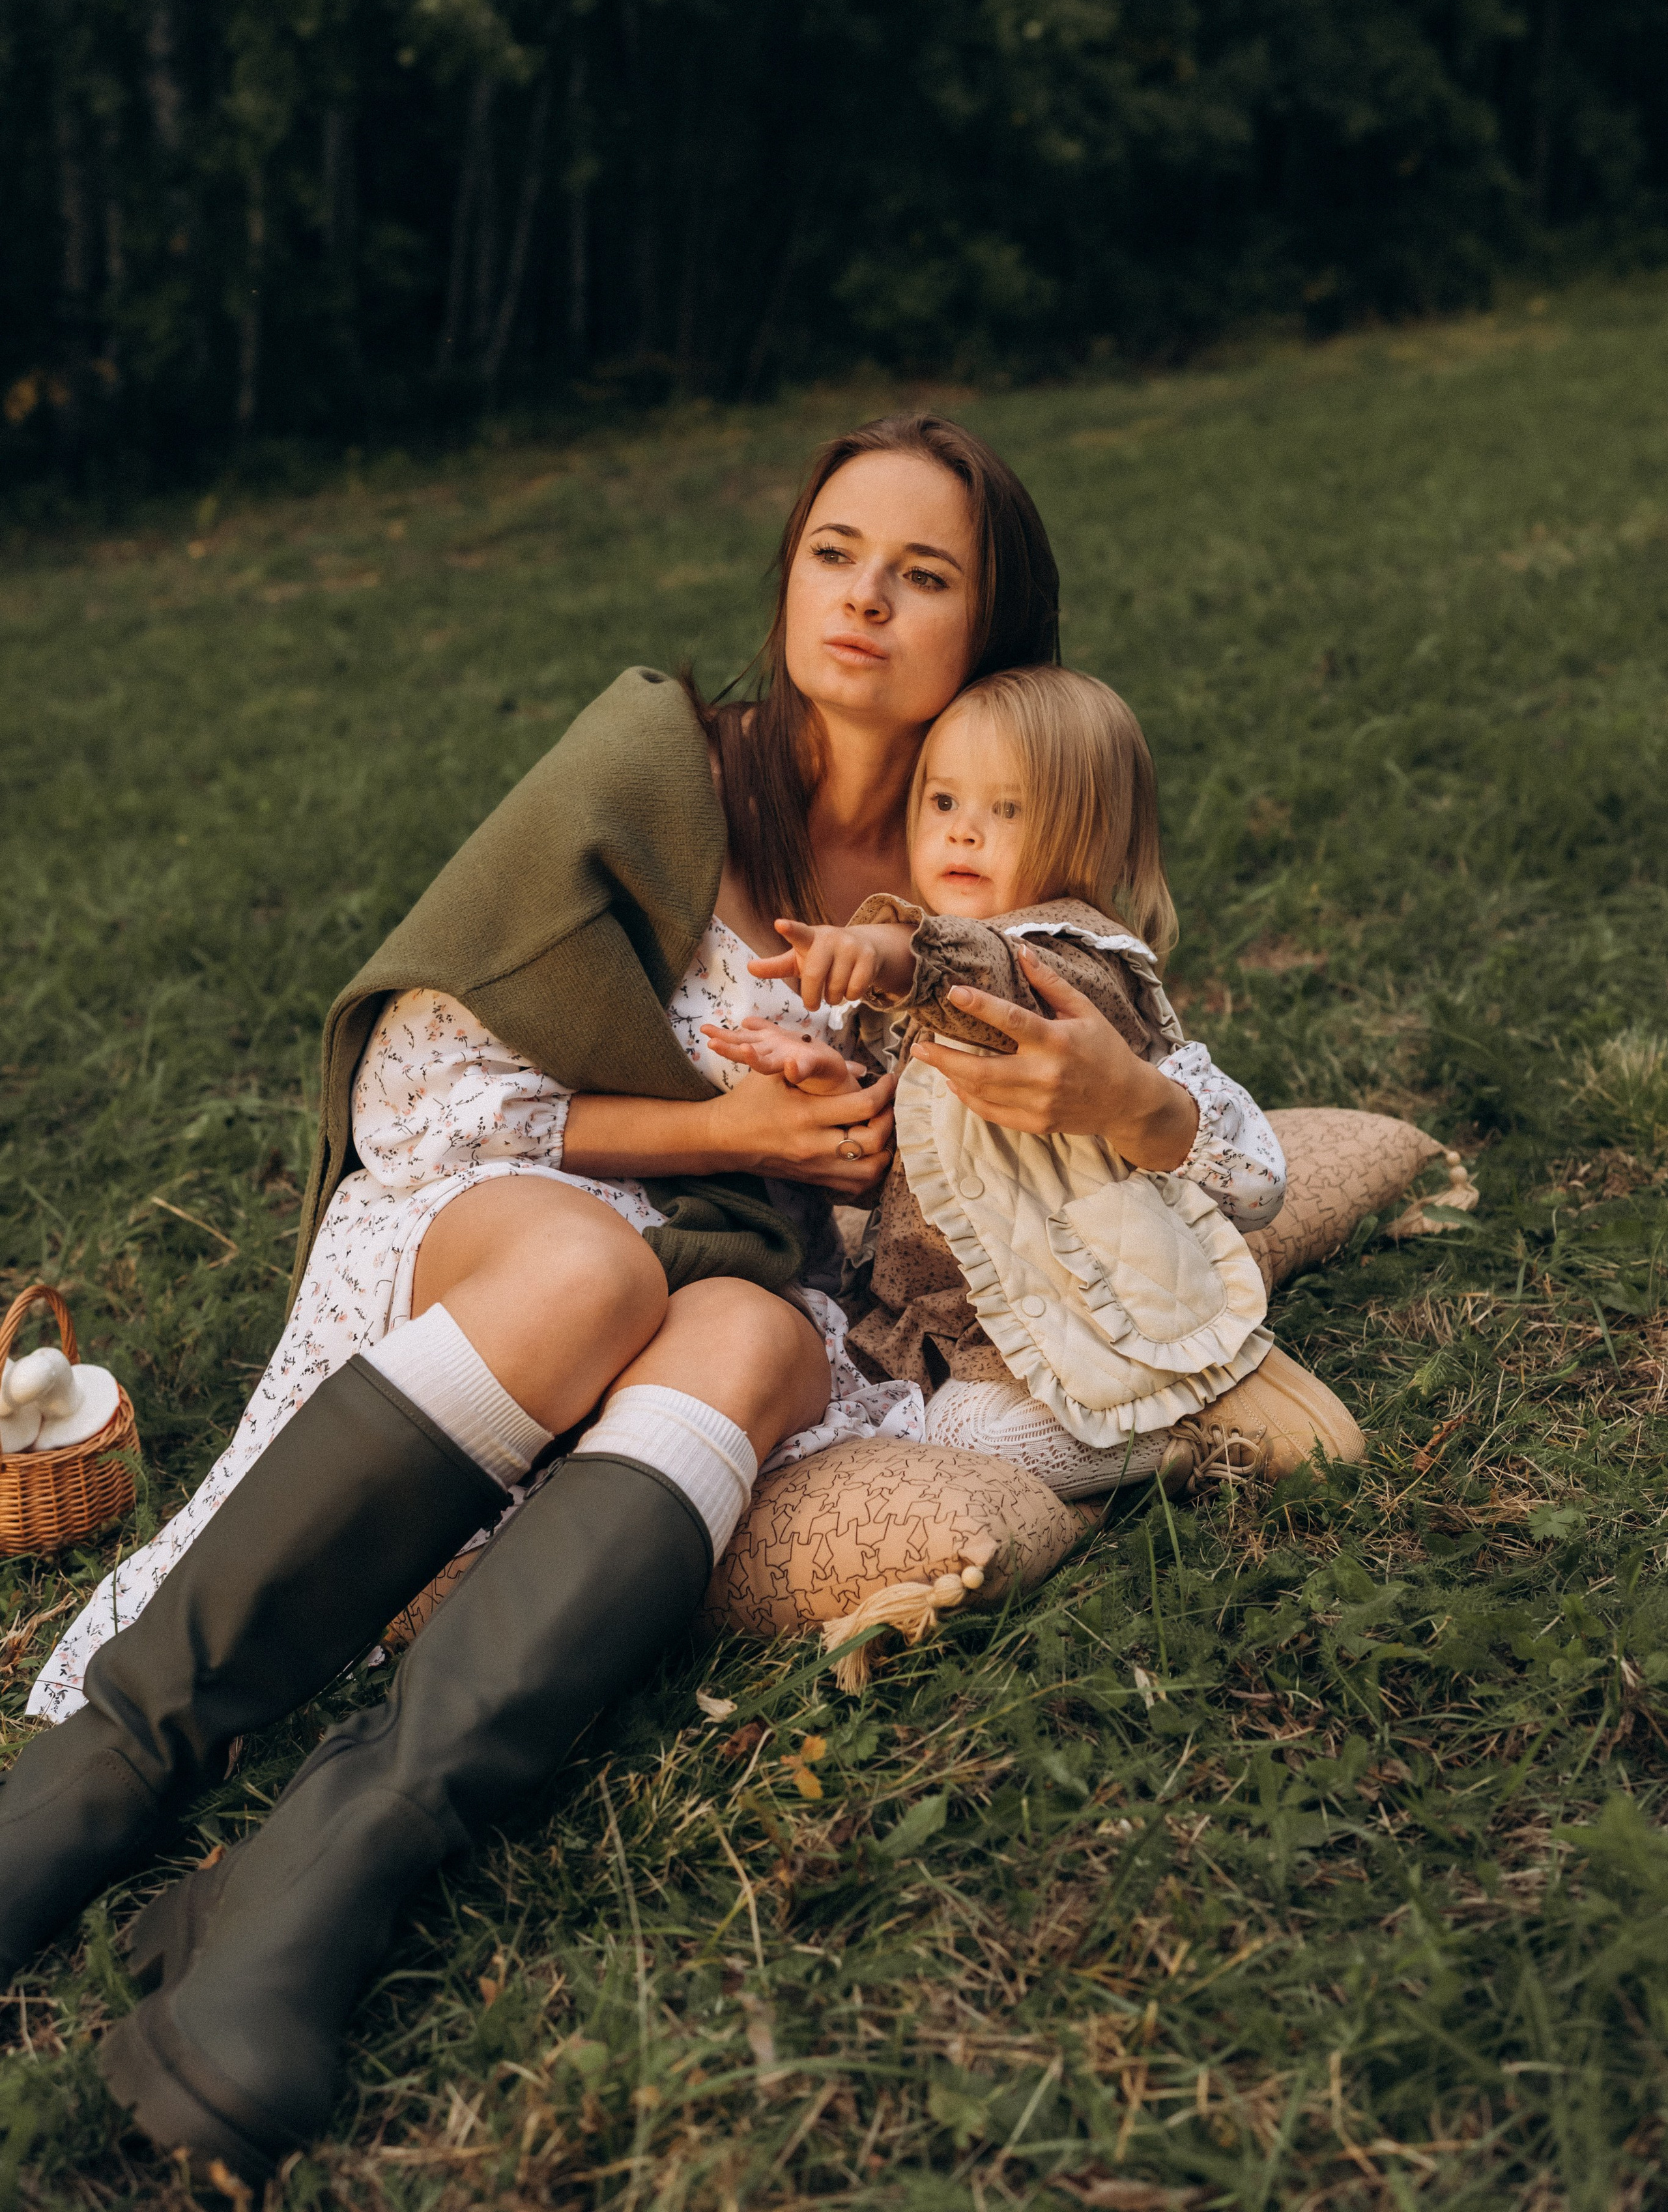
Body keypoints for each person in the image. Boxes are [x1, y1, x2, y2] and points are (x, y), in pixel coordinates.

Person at [0, 415, 1302, 2180]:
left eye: (926, 575)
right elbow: (415, 1100)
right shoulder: (660, 765)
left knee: (763, 1333)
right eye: (838, 550)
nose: (866, 598)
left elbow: (1229, 1140)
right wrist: (727, 1122)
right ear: (788, 574)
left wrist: (1120, 1105)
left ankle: (321, 1879)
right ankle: (95, 1783)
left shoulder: (987, 848)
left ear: (991, 629)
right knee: (594, 1263)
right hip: (504, 1225)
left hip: (738, 1295)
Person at [704, 664, 1365, 1498]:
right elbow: (910, 1139)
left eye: (1006, 810)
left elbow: (989, 981)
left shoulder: (1069, 959)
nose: (964, 833)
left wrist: (892, 950)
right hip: (942, 1313)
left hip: (1061, 1309)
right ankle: (1114, 1432)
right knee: (837, 1401)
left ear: (1090, 839)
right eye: (942, 804)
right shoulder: (933, 984)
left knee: (958, 1445)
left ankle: (1173, 1432)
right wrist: (831, 1080)